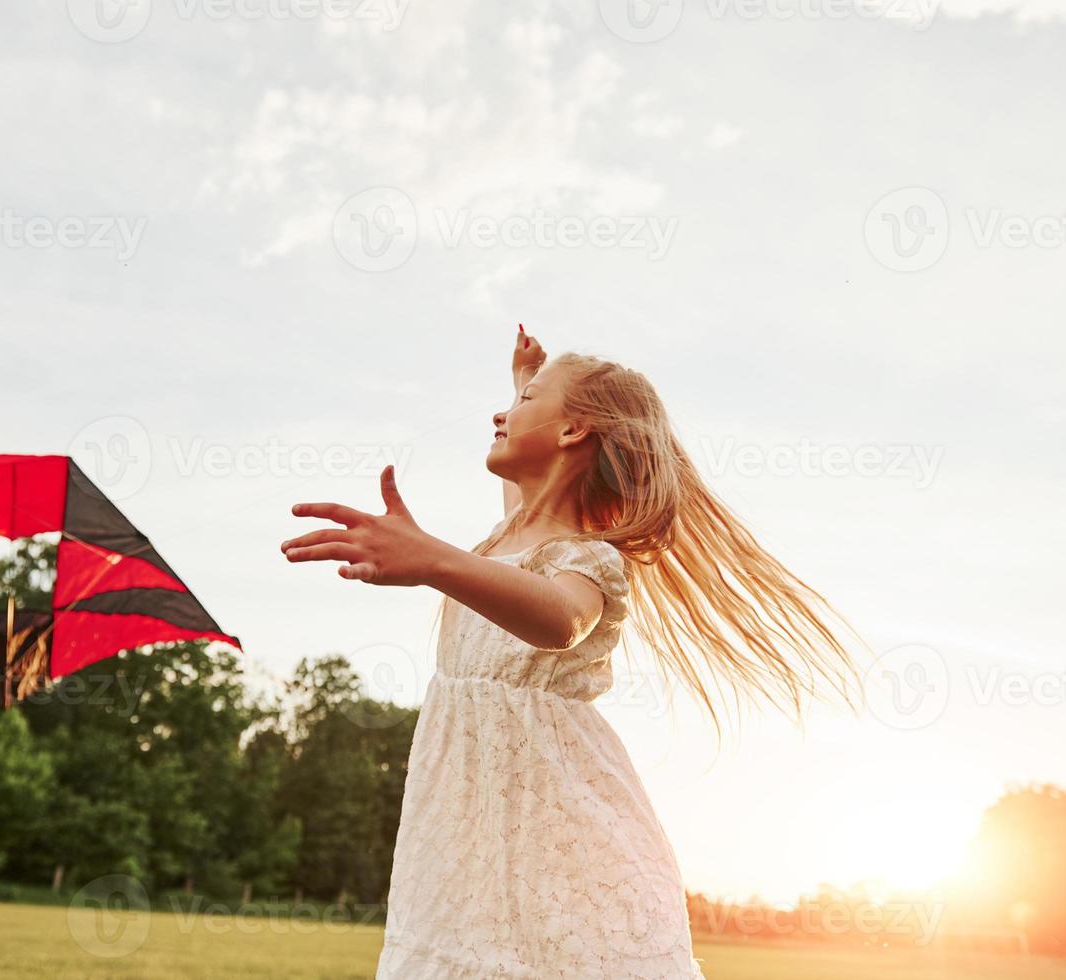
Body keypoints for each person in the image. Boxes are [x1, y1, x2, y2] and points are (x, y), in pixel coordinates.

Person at [281, 326, 858, 978]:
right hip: (465, 825)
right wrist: (524, 378)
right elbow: (529, 519)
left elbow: (560, 621)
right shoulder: (513, 535)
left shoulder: (587, 558)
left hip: (557, 831)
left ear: (571, 432)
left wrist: (433, 559)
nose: (502, 413)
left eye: (526, 403)